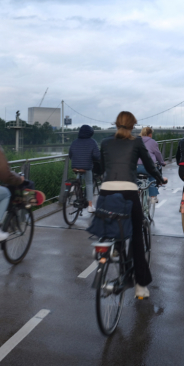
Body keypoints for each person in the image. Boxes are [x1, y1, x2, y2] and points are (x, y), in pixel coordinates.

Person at [100, 111, 167, 299]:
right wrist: (159, 179)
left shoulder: (105, 142)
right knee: (137, 236)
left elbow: (101, 168)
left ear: (116, 124)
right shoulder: (136, 142)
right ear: (132, 126)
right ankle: (140, 285)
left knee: (115, 223)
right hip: (128, 193)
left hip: (106, 193)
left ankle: (115, 249)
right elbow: (150, 165)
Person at [68, 124, 101, 213]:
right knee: (89, 183)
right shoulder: (92, 142)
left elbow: (70, 154)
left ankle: (74, 186)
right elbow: (97, 155)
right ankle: (90, 206)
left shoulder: (75, 142)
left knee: (79, 175)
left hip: (75, 165)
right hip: (86, 167)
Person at [137, 126, 165, 204]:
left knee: (136, 178)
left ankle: (137, 192)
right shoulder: (153, 142)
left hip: (136, 167)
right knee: (152, 176)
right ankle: (153, 197)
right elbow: (158, 154)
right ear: (150, 134)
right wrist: (162, 162)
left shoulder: (136, 141)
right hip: (148, 167)